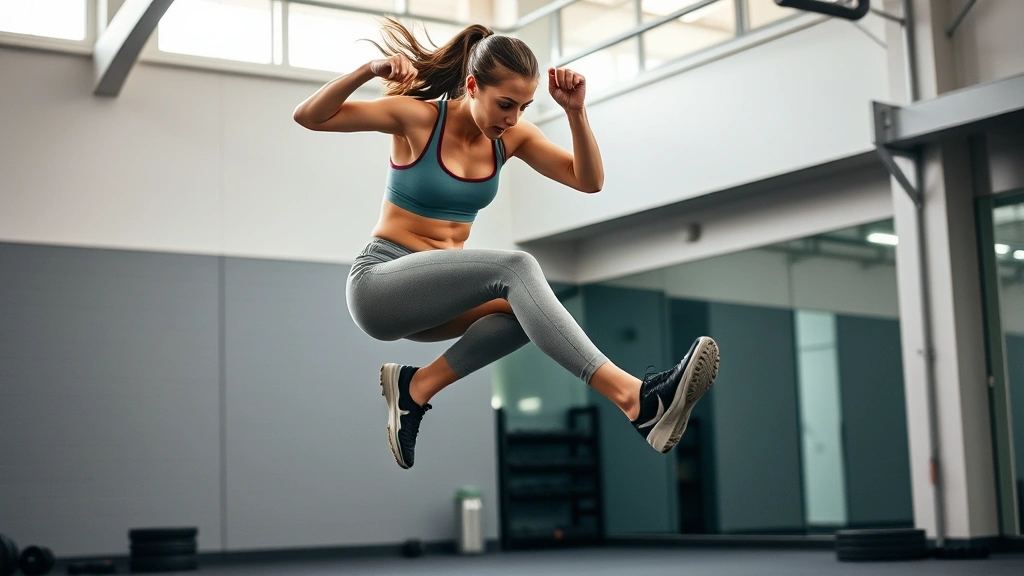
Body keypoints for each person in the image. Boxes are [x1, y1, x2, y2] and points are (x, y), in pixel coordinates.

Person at [293, 18, 720, 470]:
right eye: (504, 104)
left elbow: (588, 180)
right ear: (472, 85)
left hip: (435, 301)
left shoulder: (511, 138)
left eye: (522, 106)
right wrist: (368, 70)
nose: (512, 118)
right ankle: (635, 399)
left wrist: (576, 112)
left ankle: (415, 389)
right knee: (516, 268)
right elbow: (309, 116)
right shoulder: (417, 118)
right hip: (380, 285)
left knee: (528, 316)